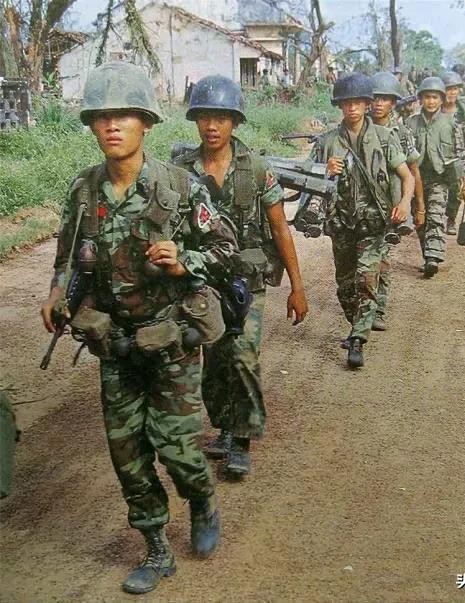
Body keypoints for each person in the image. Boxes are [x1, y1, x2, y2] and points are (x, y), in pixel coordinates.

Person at [40, 62, 239, 595]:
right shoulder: (84, 190)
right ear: (91, 125)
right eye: (102, 116)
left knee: (176, 448)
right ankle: (155, 547)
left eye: (124, 115)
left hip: (170, 338)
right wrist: (57, 293)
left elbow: (225, 250)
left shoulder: (180, 186)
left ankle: (201, 500)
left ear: (146, 123)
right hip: (115, 343)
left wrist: (183, 261)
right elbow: (67, 257)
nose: (112, 125)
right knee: (127, 454)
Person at [173, 75, 308, 477]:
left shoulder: (257, 169)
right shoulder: (180, 170)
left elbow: (280, 228)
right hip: (201, 281)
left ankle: (243, 439)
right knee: (214, 360)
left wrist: (298, 288)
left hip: (246, 281)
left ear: (235, 122)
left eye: (221, 118)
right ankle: (226, 427)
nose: (211, 126)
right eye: (204, 117)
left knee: (243, 355)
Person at [312, 72, 414, 368]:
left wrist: (405, 203)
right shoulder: (327, 142)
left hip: (374, 223)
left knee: (367, 279)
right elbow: (309, 182)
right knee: (345, 285)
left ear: (367, 104)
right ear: (339, 106)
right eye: (347, 103)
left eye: (358, 102)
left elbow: (406, 176)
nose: (352, 108)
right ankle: (357, 323)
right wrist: (325, 170)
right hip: (341, 223)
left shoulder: (384, 138)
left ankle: (358, 339)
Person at [369, 71, 425, 329]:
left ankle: (378, 309)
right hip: (361, 203)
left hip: (389, 206)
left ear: (393, 103)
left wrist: (417, 206)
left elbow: (413, 172)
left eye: (384, 99)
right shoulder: (356, 128)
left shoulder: (401, 133)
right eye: (374, 98)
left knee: (381, 257)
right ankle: (362, 304)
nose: (378, 103)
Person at [406, 76, 465, 277]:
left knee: (436, 215)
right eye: (427, 97)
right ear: (420, 99)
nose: (431, 101)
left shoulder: (451, 123)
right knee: (420, 219)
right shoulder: (410, 123)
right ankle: (427, 256)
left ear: (442, 100)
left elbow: (460, 154)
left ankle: (433, 257)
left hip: (440, 178)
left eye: (435, 97)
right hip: (416, 179)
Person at [441, 70, 465, 236]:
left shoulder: (463, 112)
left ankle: (451, 219)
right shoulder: (435, 111)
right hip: (438, 156)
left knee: (456, 192)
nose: (452, 92)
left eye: (454, 89)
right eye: (448, 89)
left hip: (458, 156)